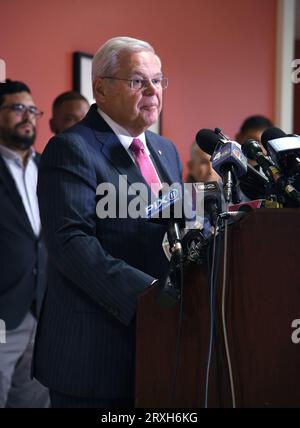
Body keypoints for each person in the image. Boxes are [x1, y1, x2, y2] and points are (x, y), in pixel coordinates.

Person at [33, 36, 182, 408]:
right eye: (138, 81)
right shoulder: (72, 148)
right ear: (100, 88)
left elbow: (171, 228)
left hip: (160, 350)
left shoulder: (166, 149)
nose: (152, 90)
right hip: (94, 357)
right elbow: (71, 243)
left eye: (158, 80)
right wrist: (150, 293)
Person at [0, 79, 49, 407]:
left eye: (33, 110)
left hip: (44, 310)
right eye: (18, 108)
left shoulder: (48, 166)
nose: (27, 116)